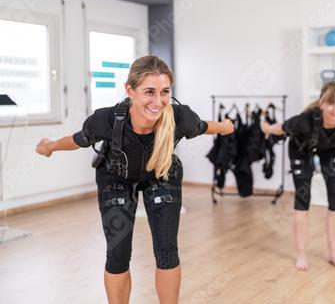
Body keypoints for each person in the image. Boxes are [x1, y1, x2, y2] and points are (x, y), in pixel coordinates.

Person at [35, 56, 234, 304]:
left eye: (165, 92)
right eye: (149, 92)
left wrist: (227, 126)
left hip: (162, 173)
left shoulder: (179, 117)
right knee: (118, 254)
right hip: (115, 176)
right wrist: (50, 146)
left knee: (167, 252)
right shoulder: (107, 120)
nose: (159, 101)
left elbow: (205, 126)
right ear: (130, 90)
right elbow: (78, 140)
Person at [261, 81, 335, 271]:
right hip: (301, 152)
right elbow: (281, 128)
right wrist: (266, 129)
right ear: (321, 104)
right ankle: (300, 254)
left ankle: (333, 252)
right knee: (302, 200)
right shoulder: (304, 120)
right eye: (330, 103)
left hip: (331, 154)